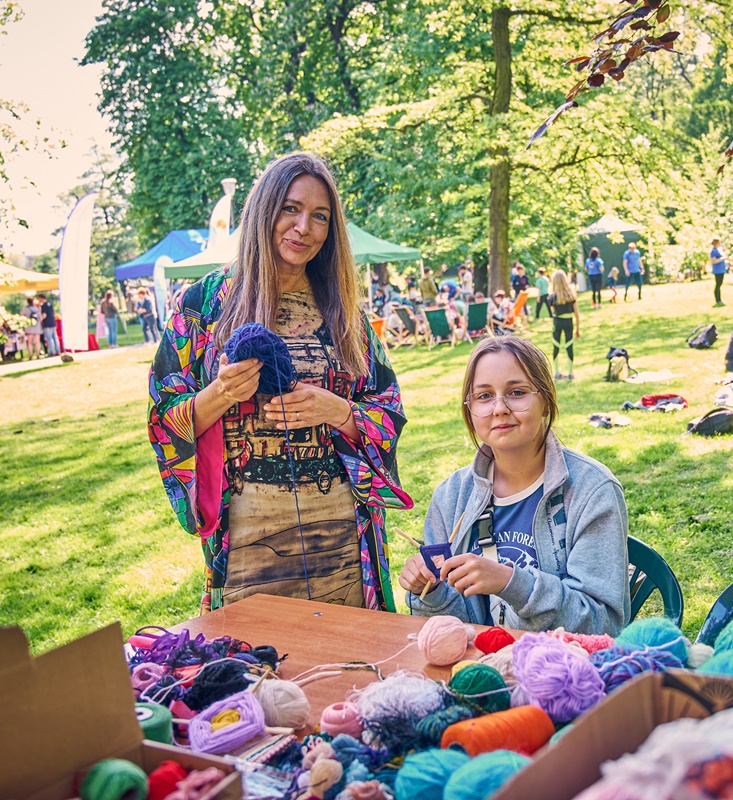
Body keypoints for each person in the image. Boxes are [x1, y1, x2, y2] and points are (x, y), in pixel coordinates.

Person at [148, 152, 413, 614]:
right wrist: (220, 394)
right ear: (263, 211)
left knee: (351, 665)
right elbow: (162, 419)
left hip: (343, 541)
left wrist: (339, 411)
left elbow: (388, 409)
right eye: (290, 208)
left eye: (320, 217)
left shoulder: (342, 312)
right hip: (248, 542)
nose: (304, 227)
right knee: (257, 673)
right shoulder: (204, 304)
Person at [401, 336, 630, 634]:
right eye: (484, 396)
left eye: (517, 392)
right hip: (476, 670)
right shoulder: (451, 497)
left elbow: (604, 624)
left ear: (546, 400)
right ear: (469, 410)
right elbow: (449, 632)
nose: (499, 408)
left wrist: (513, 584)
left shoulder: (592, 491)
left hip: (561, 672)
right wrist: (430, 593)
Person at [548, 269, 581, 380]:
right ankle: (570, 373)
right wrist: (578, 329)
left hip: (557, 323)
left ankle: (557, 372)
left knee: (556, 346)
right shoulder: (571, 296)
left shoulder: (552, 297)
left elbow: (553, 312)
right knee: (569, 346)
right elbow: (577, 314)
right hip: (569, 322)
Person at [709, 238, 728, 307]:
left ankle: (719, 299)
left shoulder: (718, 250)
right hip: (717, 270)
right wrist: (723, 258)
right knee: (718, 285)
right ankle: (718, 300)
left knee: (720, 284)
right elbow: (714, 261)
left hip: (721, 270)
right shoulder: (713, 251)